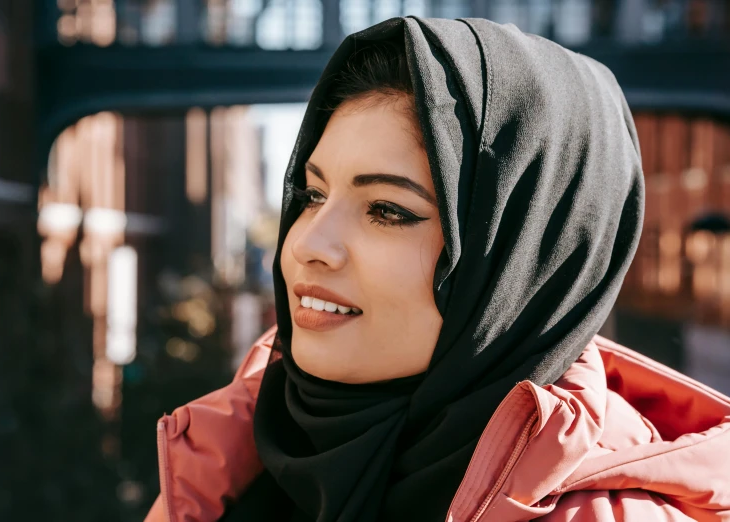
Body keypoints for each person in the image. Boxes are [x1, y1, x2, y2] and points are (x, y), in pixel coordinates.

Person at [145, 16, 730, 522]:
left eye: (387, 210)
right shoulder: (226, 459)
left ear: (522, 261)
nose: (307, 244)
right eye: (313, 194)